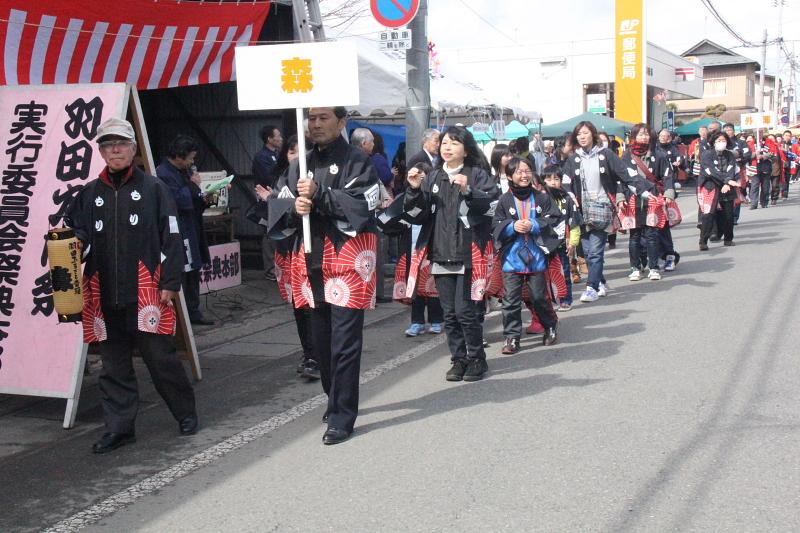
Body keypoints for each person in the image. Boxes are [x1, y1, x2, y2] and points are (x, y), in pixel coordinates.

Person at [65, 118, 198, 454]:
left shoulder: (154, 188)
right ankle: (119, 428)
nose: (115, 150)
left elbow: (172, 235)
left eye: (121, 144)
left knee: (161, 359)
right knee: (113, 366)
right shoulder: (89, 193)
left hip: (146, 291)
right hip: (103, 291)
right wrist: (72, 243)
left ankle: (185, 412)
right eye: (108, 145)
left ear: (133, 149)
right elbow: (76, 231)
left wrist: (171, 281)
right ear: (101, 151)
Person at [267, 107, 379, 445]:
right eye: (311, 118)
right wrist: (293, 208)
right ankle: (335, 399)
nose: (315, 124)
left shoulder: (358, 161)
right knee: (321, 342)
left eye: (323, 117)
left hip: (347, 263)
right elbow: (276, 205)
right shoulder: (298, 164)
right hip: (310, 262)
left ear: (341, 122)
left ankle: (342, 416)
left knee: (345, 343)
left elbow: (363, 205)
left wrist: (320, 195)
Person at [404, 126, 499, 382]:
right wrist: (414, 190)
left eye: (454, 143)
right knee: (449, 313)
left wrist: (469, 191)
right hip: (440, 252)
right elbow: (417, 216)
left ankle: (477, 358)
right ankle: (458, 359)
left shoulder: (477, 174)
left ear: (466, 150)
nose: (447, 147)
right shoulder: (433, 177)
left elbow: (492, 207)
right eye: (445, 142)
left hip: (469, 252)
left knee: (465, 311)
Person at [251, 136, 320, 381]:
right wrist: (271, 202)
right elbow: (272, 219)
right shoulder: (280, 180)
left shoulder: (316, 180)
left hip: (311, 251)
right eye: (292, 152)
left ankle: (317, 355)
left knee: (313, 305)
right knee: (298, 306)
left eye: (302, 152)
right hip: (287, 251)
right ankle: (309, 353)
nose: (296, 157)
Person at [561, 121, 650, 303]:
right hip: (581, 210)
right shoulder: (573, 159)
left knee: (595, 251)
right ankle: (601, 282)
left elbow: (625, 175)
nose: (582, 137)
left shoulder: (606, 154)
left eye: (585, 133)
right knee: (587, 252)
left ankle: (591, 288)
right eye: (579, 134)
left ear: (593, 134)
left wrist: (643, 191)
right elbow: (565, 183)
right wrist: (570, 198)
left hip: (602, 207)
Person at [493, 157, 558, 354]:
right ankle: (512, 337)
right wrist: (512, 226)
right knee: (511, 300)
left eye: (527, 171)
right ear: (509, 176)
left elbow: (554, 218)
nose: (524, 175)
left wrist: (534, 224)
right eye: (519, 172)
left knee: (539, 297)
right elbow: (495, 224)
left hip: (536, 257)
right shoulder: (504, 200)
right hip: (512, 259)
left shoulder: (542, 198)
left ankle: (550, 326)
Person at [156, 135, 213, 326]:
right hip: (179, 228)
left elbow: (194, 198)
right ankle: (182, 313)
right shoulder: (163, 173)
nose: (192, 162)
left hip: (192, 224)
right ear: (179, 156)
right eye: (190, 158)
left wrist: (206, 197)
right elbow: (175, 201)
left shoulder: (185, 171)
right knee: (183, 270)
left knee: (193, 269)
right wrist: (193, 185)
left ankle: (193, 310)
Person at [618, 124, 672, 281]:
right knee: (634, 235)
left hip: (653, 198)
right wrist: (620, 197)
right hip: (632, 198)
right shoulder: (626, 156)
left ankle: (653, 267)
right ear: (634, 137)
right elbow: (619, 179)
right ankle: (635, 267)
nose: (644, 137)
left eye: (646, 134)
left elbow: (668, 175)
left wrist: (669, 193)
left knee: (652, 234)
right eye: (640, 134)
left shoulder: (659, 154)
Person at [541, 165, 580, 311]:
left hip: (562, 243)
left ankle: (565, 300)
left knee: (564, 273)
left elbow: (574, 222)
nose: (553, 182)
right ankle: (549, 301)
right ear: (543, 181)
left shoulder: (567, 199)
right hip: (543, 244)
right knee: (545, 274)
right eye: (549, 179)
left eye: (556, 179)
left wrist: (573, 242)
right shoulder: (539, 198)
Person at [699, 130, 740, 250]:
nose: (721, 142)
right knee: (708, 215)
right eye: (719, 140)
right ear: (713, 142)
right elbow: (711, 171)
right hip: (710, 186)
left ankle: (728, 239)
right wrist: (727, 181)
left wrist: (727, 182)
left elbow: (731, 170)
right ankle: (703, 241)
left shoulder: (730, 155)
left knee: (728, 215)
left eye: (723, 140)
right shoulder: (706, 154)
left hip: (727, 187)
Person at [253, 125, 284, 281]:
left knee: (278, 231)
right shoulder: (262, 157)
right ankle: (270, 269)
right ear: (269, 139)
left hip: (278, 198)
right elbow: (269, 178)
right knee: (269, 232)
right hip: (267, 200)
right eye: (277, 136)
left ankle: (278, 266)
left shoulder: (277, 154)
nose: (280, 138)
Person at [655, 128, 682, 271]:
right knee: (644, 232)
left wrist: (669, 193)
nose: (662, 138)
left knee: (662, 227)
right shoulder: (633, 155)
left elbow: (668, 176)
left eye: (665, 136)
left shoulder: (670, 150)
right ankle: (646, 260)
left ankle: (670, 257)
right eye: (660, 136)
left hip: (661, 194)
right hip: (641, 196)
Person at [750, 144, 773, 209]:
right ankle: (754, 204)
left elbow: (772, 154)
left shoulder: (767, 145)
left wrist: (762, 156)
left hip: (765, 168)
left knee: (765, 187)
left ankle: (764, 202)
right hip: (754, 168)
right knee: (754, 187)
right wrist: (755, 154)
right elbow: (747, 155)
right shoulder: (751, 145)